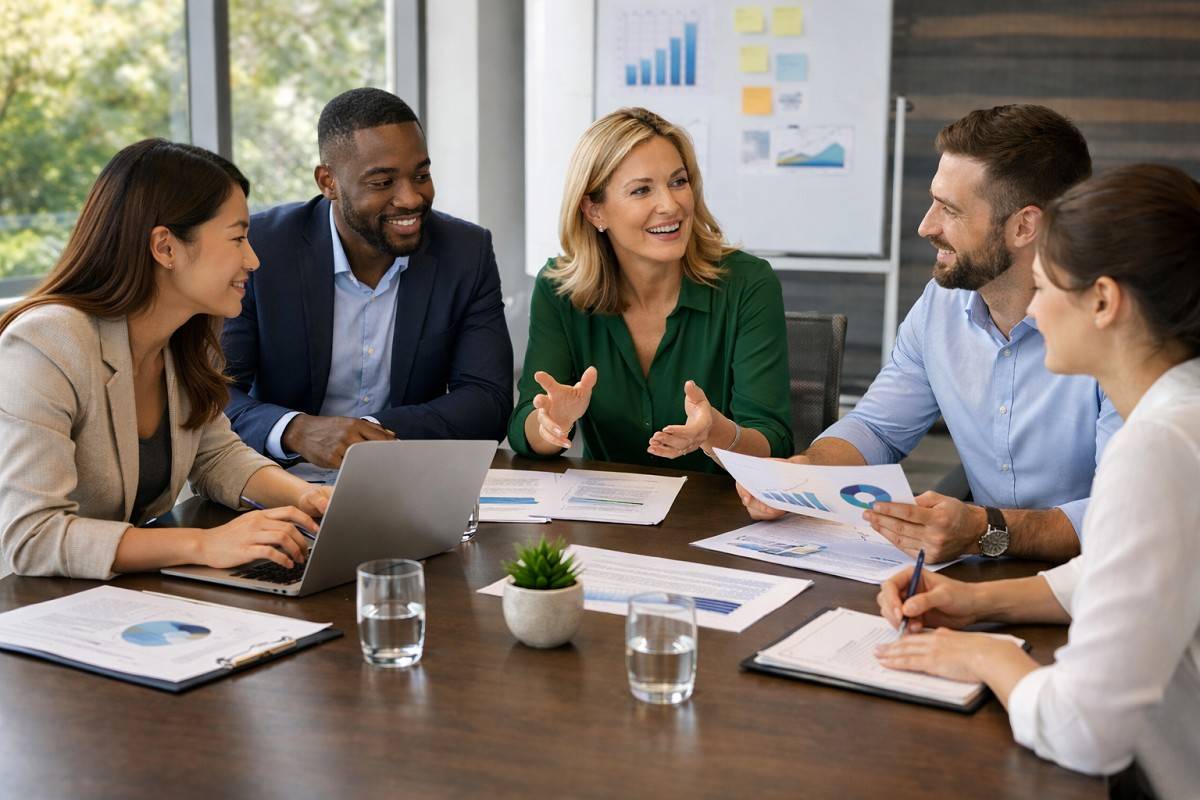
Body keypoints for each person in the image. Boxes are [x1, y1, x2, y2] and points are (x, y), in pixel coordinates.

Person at [875, 164, 1200, 799]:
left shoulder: (1156, 449)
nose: (1033, 311)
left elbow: (1084, 730)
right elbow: (1116, 570)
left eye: (1046, 287)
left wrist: (988, 657)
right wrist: (976, 602)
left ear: (1104, 302)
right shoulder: (1179, 414)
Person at [738, 104, 1120, 563]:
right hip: (988, 572)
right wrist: (805, 475)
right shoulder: (941, 305)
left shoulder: (1115, 328)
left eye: (950, 210)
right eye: (933, 200)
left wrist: (988, 529)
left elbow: (1129, 515)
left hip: (1102, 578)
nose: (926, 226)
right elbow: (878, 426)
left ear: (1024, 226)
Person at [0, 139, 331, 579]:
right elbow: (33, 536)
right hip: (28, 610)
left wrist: (309, 498)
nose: (252, 259)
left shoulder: (178, 341)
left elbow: (215, 457)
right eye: (237, 238)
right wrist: (205, 544)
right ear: (166, 247)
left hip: (111, 600)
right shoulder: (46, 344)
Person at [222, 87, 513, 468]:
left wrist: (367, 434)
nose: (410, 198)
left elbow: (486, 399)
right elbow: (213, 394)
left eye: (421, 174)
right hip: (277, 481)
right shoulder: (262, 249)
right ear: (328, 182)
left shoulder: (465, 251)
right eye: (382, 182)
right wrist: (297, 430)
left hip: (405, 477)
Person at [507, 107, 792, 475]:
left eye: (678, 181)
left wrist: (717, 434)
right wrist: (551, 425)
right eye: (642, 190)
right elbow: (524, 427)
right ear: (595, 211)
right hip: (608, 520)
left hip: (719, 519)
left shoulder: (748, 284)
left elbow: (775, 442)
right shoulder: (560, 289)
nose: (671, 205)